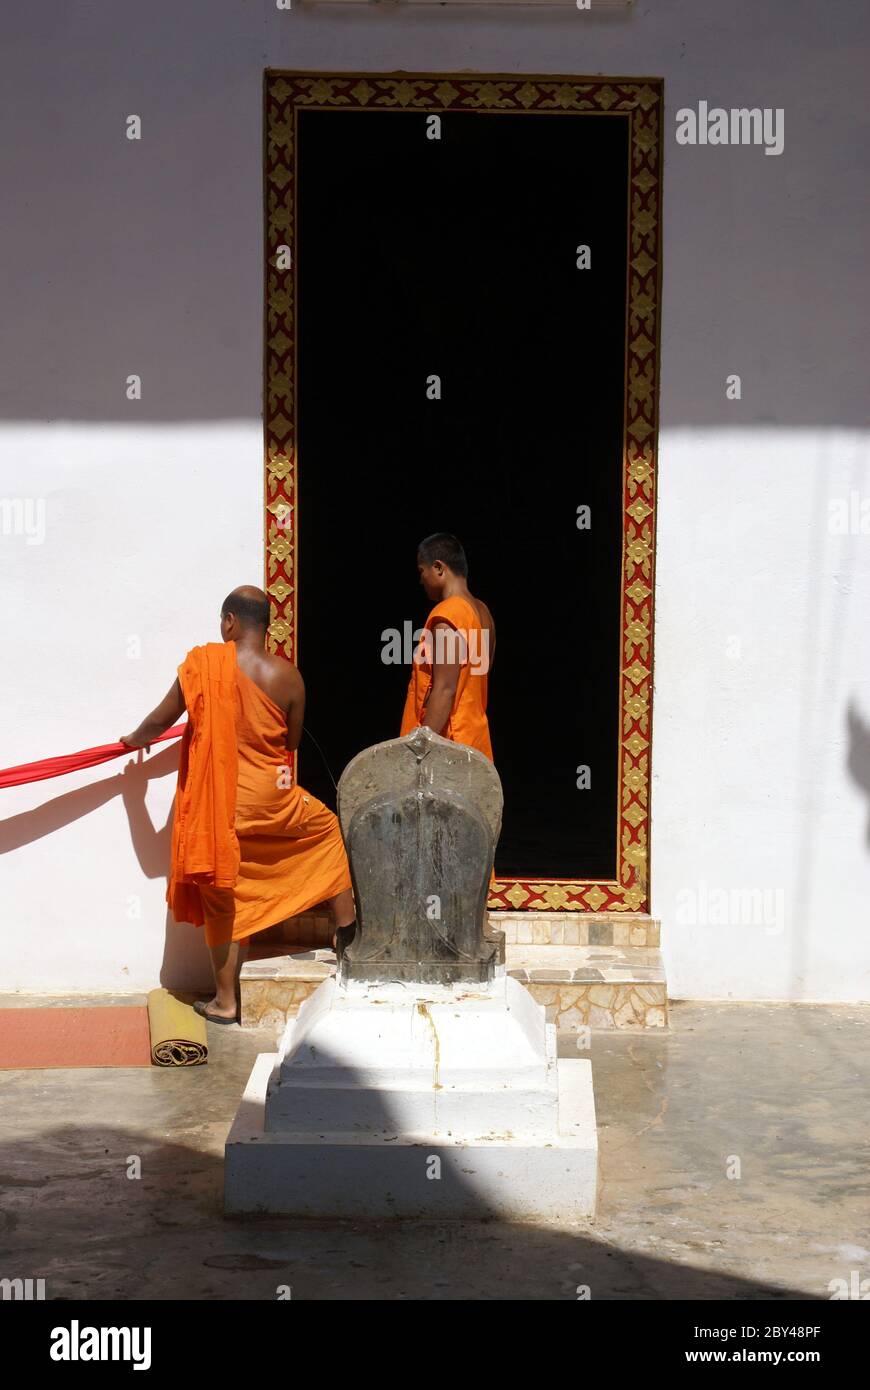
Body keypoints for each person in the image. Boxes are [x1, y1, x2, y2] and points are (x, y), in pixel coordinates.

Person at [120, 586, 355, 1023]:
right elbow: (292, 742)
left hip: (220, 806)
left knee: (222, 896)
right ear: (267, 626)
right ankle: (346, 931)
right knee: (326, 829)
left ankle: (225, 1002)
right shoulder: (289, 676)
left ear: (229, 621)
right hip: (275, 798)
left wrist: (134, 740)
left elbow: (160, 720)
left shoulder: (204, 665)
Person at [400, 533, 495, 760]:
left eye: (422, 571)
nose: (421, 580)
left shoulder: (449, 613)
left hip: (447, 752)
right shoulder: (484, 613)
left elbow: (445, 688)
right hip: (476, 746)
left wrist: (418, 754)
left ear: (439, 568)